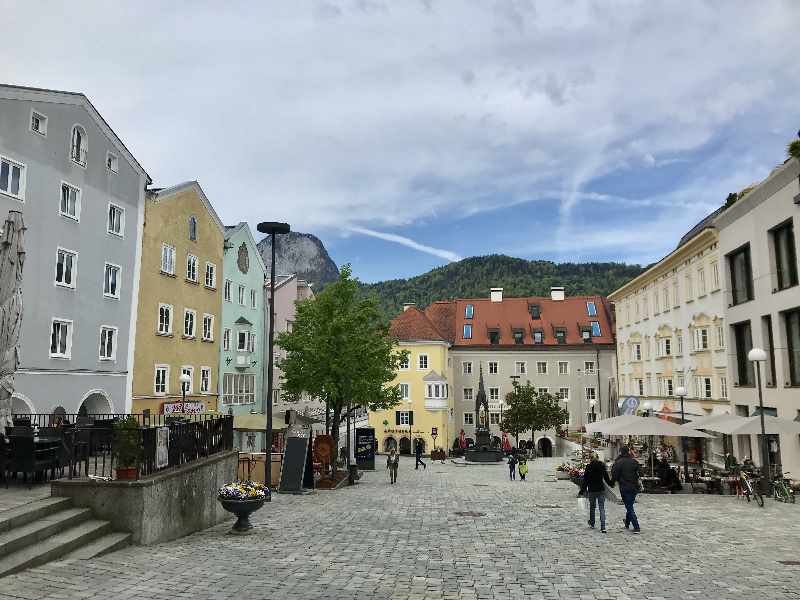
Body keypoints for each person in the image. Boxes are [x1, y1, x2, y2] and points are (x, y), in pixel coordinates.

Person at [611, 446, 642, 533]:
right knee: (630, 505)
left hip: (624, 487)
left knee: (629, 507)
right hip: (634, 487)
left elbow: (614, 474)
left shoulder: (618, 462)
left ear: (620, 452)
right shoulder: (634, 461)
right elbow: (641, 472)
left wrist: (613, 482)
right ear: (628, 452)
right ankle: (627, 523)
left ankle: (636, 526)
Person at [582, 453, 613, 533]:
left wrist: (582, 490)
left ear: (591, 459)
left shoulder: (588, 467)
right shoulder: (601, 466)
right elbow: (606, 477)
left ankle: (592, 523)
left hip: (592, 490)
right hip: (600, 490)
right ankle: (603, 527)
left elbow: (586, 480)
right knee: (601, 508)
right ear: (598, 458)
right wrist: (611, 484)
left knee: (592, 507)